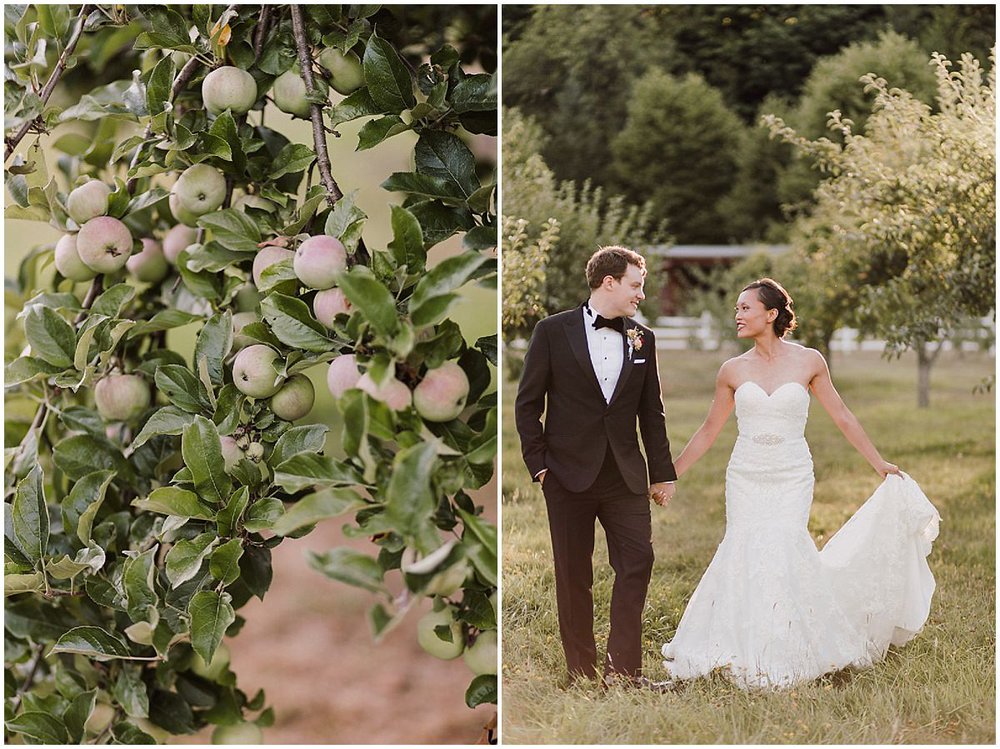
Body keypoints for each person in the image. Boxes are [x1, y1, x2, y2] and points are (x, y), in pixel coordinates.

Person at [660, 278, 940, 690]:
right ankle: (739, 639)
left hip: (792, 473)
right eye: (736, 309)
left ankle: (792, 640)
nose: (736, 315)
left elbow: (842, 415)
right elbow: (708, 430)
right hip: (746, 474)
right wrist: (670, 474)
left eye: (744, 308)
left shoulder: (809, 361)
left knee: (786, 544)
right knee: (745, 544)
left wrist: (878, 462)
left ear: (771, 315)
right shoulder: (732, 370)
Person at [515, 246, 677, 686]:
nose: (641, 295)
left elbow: (652, 412)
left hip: (624, 475)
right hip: (565, 474)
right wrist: (539, 466)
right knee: (573, 574)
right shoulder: (552, 331)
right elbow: (528, 403)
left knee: (638, 562)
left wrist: (662, 473)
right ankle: (581, 671)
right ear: (609, 282)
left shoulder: (644, 338)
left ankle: (623, 672)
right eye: (636, 285)